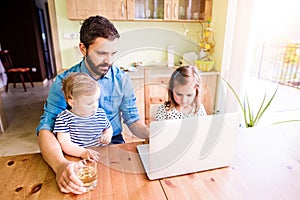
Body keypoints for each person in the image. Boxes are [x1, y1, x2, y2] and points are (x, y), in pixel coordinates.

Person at [36, 15, 149, 194]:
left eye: (113, 53)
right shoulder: (63, 82)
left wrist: (154, 134)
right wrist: (60, 166)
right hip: (75, 148)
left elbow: (133, 120)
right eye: (102, 53)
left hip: (112, 143)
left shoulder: (122, 78)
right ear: (83, 48)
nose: (109, 61)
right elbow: (46, 129)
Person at [53, 72, 113, 161]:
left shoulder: (100, 114)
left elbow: (108, 128)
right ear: (72, 102)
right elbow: (64, 142)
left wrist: (107, 134)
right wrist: (82, 152)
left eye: (96, 100)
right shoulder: (64, 119)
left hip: (100, 155)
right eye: (89, 103)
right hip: (77, 157)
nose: (95, 106)